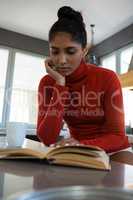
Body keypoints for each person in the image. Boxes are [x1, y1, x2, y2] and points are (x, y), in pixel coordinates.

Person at [37, 6, 130, 153]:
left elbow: (118, 137)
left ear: (84, 51)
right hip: (77, 153)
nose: (61, 60)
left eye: (70, 51)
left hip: (110, 151)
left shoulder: (108, 78)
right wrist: (60, 85)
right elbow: (47, 139)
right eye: (55, 51)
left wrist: (81, 145)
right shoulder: (48, 83)